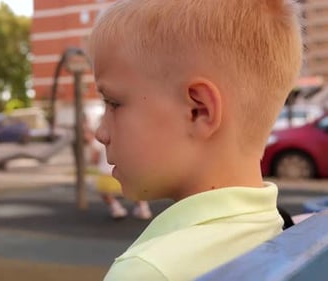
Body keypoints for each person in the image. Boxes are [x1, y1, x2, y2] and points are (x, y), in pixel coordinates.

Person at [88, 0, 303, 280]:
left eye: (113, 103)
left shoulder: (149, 270)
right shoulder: (286, 232)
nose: (100, 132)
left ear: (198, 110)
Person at [90, 137, 152, 220]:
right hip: (124, 171)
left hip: (106, 173)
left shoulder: (98, 139)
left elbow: (95, 159)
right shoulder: (124, 135)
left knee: (105, 192)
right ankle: (143, 208)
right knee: (132, 190)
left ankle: (116, 208)